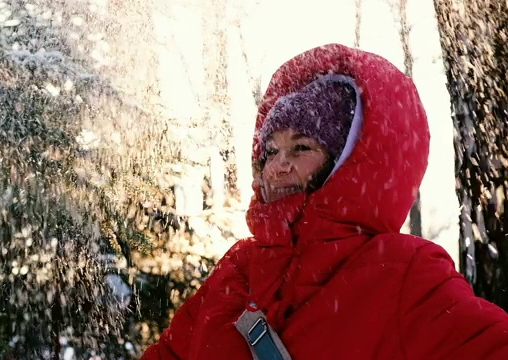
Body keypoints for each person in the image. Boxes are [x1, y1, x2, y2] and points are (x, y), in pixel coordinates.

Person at [140, 43, 508, 359]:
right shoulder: (237, 273)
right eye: (270, 151)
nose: (277, 168)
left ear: (348, 161)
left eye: (301, 148)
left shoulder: (402, 273)